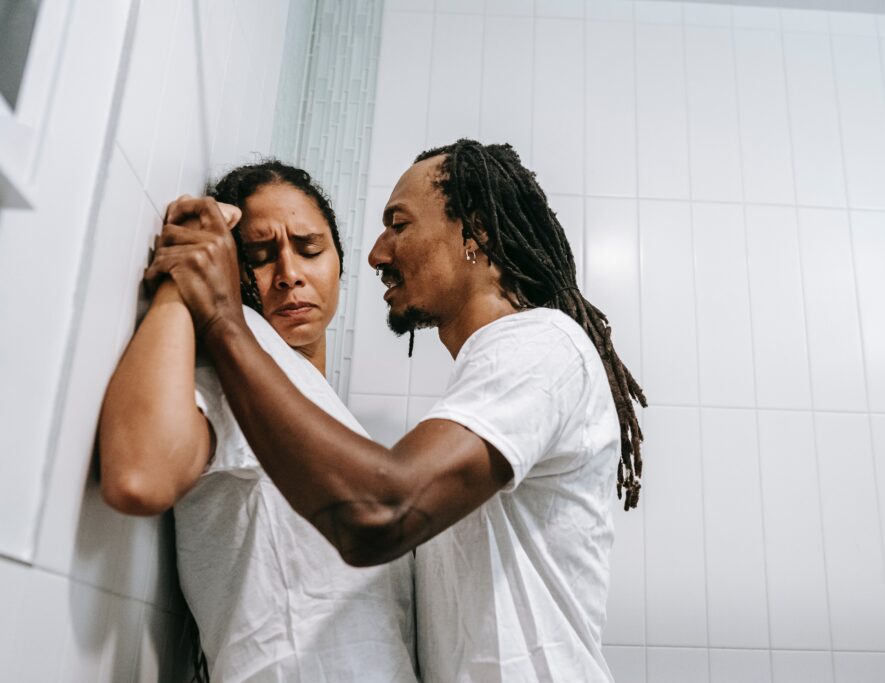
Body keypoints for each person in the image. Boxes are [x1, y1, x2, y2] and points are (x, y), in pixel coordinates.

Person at [146, 140, 647, 681]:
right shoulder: (490, 380)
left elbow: (380, 511)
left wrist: (223, 318)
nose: (377, 254)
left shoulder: (540, 344)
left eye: (398, 224)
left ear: (474, 231)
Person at [98, 161, 417, 683]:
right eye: (259, 257)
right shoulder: (241, 353)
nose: (289, 273)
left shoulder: (326, 411)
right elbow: (140, 476)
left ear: (339, 261)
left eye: (310, 248)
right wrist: (188, 283)